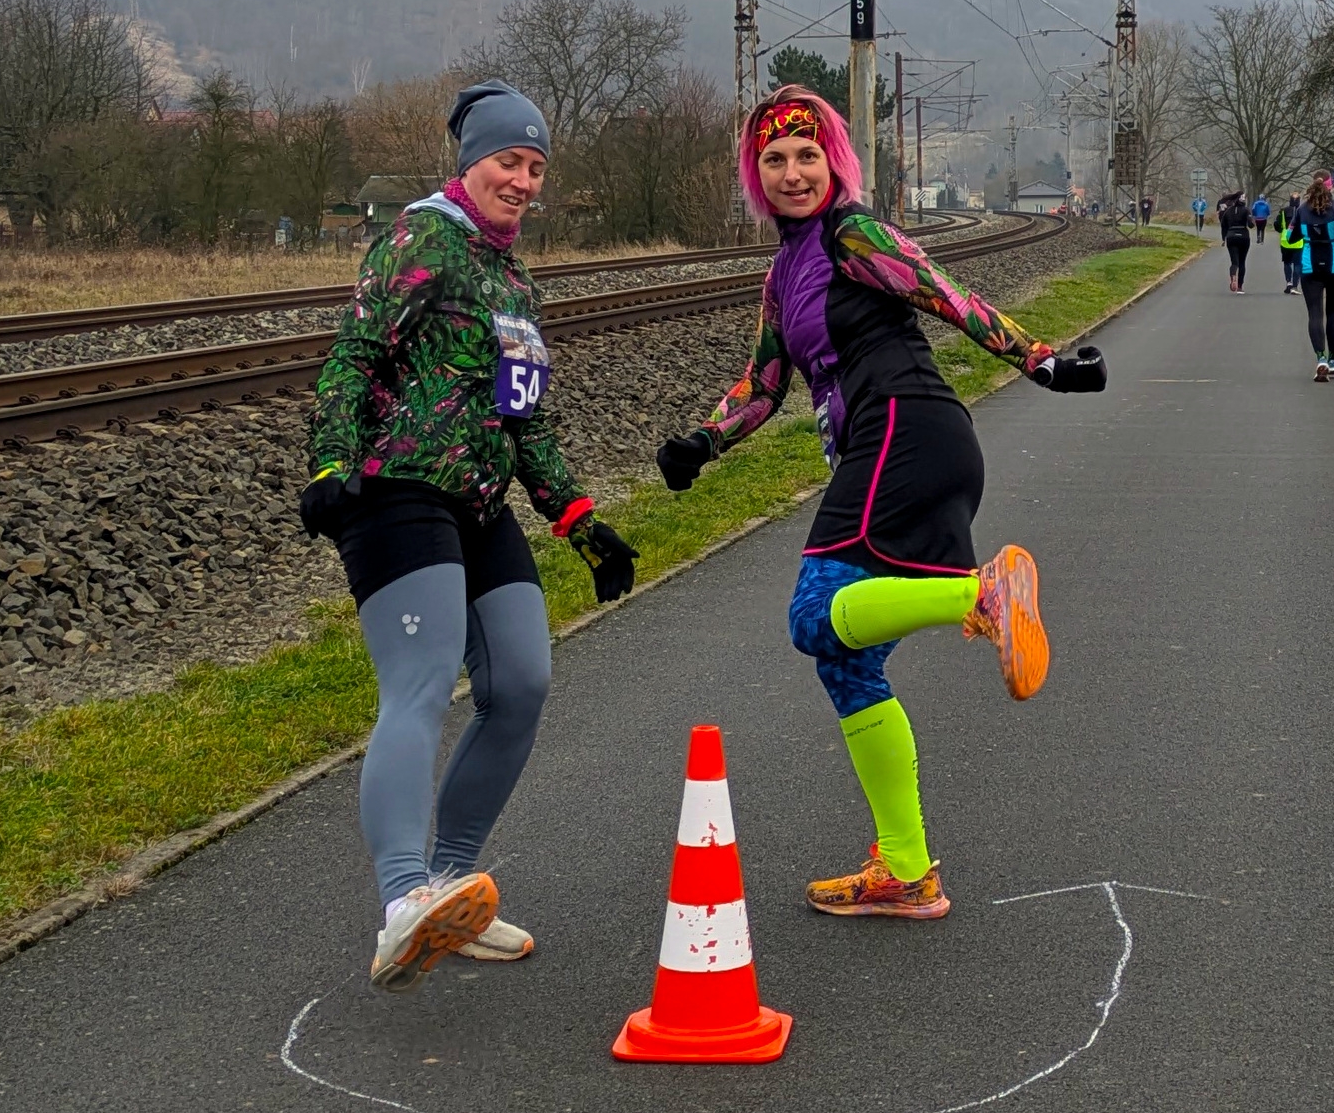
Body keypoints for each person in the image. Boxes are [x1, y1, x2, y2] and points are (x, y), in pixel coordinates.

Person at [655, 86, 1107, 919]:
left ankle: (982, 593)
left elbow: (944, 292)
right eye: (774, 160)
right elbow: (763, 383)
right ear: (757, 175)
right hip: (902, 442)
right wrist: (703, 442)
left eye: (807, 155)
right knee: (846, 661)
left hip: (906, 426)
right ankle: (906, 869)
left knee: (811, 615)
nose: (792, 172)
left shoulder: (852, 232)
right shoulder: (784, 271)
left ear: (834, 161)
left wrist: (1042, 360)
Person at [298, 81, 641, 991]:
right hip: (396, 487)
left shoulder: (514, 280)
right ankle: (403, 897)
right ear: (467, 162)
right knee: (421, 681)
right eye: (507, 161)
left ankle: (449, 889)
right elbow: (353, 355)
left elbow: (524, 418)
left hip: (481, 500)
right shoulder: (421, 240)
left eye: (535, 166)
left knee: (523, 679)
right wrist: (330, 464)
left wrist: (580, 521)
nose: (523, 180)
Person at [1286, 173, 1334, 381]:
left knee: (1315, 313)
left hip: (1310, 265)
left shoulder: (1302, 209)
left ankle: (1321, 359)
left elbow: (1290, 236)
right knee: (1333, 310)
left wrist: (1305, 233)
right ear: (1331, 186)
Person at [1217, 189, 1253, 292]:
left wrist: (1224, 238)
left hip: (1231, 235)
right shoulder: (1246, 210)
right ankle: (1240, 286)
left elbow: (1223, 225)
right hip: (1244, 236)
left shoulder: (1228, 211)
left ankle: (1233, 276)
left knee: (1234, 262)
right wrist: (1251, 221)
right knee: (1242, 262)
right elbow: (1250, 225)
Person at [1274, 196, 1305, 296]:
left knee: (1287, 262)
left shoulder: (1283, 211)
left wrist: (1282, 230)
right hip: (1299, 241)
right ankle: (1295, 286)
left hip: (1285, 241)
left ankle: (1288, 282)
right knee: (1297, 264)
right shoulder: (1302, 211)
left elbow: (1277, 224)